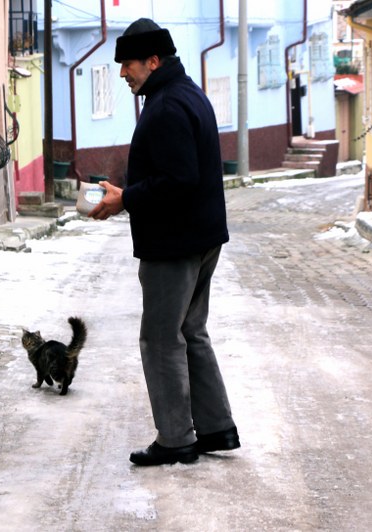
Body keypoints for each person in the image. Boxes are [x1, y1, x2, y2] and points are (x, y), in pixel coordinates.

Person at [88, 18, 240, 466]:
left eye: (128, 64)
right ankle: (215, 429)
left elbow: (179, 179)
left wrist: (125, 198)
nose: (122, 73)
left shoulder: (167, 106)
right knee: (191, 331)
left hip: (175, 244)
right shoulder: (187, 94)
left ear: (154, 61)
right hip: (201, 236)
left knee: (160, 338)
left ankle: (176, 439)